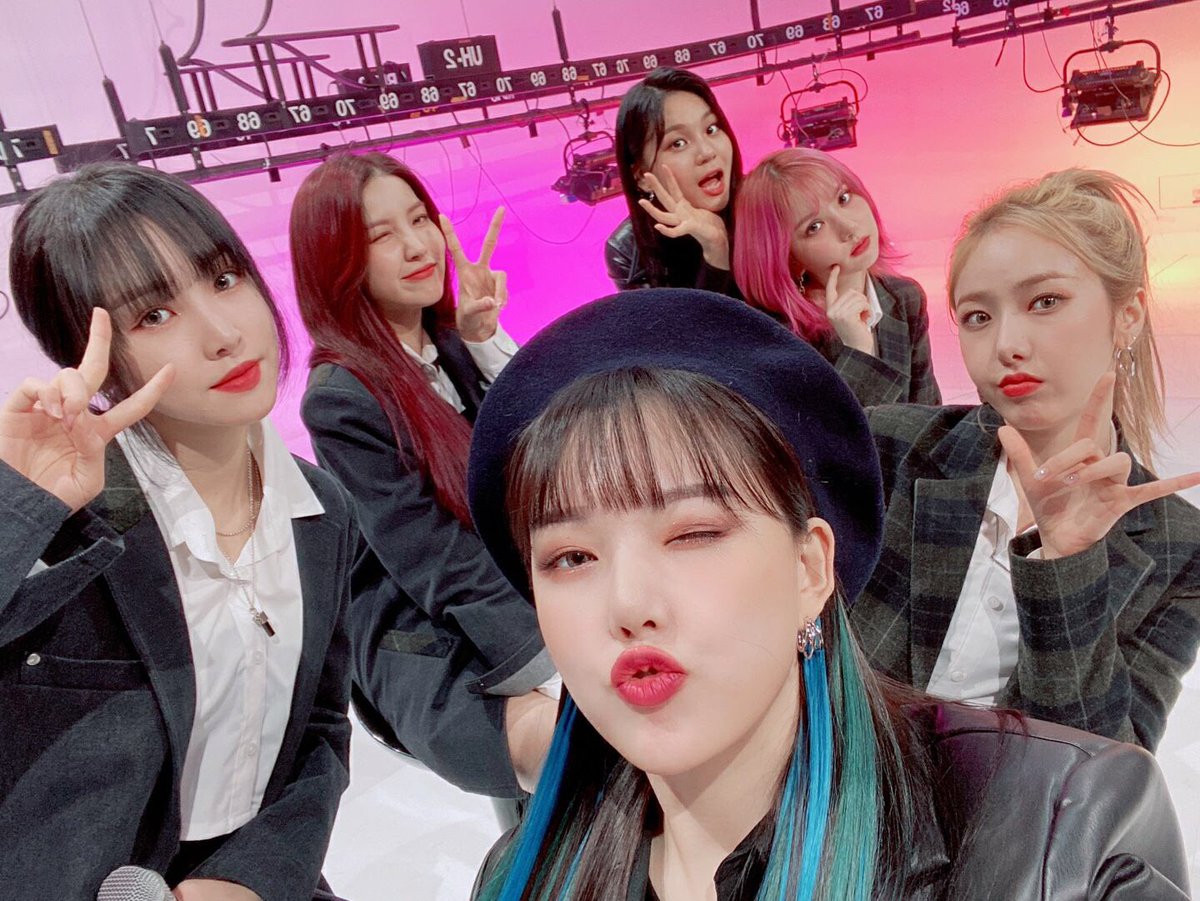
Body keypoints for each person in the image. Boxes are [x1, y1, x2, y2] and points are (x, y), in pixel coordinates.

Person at [464, 288, 1189, 900]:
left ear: (811, 568)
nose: (627, 604)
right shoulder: (518, 876)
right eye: (570, 557)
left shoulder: (1061, 840)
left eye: (692, 534)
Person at [1, 164, 355, 900]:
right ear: (88, 353)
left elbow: (320, 728)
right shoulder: (66, 518)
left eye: (224, 279)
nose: (224, 335)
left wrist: (244, 880)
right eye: (153, 316)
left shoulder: (320, 509)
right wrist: (19, 508)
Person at [851, 169, 1200, 751]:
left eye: (1045, 302)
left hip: (1008, 812)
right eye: (978, 316)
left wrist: (1066, 566)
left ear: (1128, 314)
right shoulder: (891, 451)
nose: (1007, 344)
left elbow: (1100, 771)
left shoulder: (1178, 546)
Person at [290, 152, 555, 797]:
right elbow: (435, 559)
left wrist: (486, 340)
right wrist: (555, 655)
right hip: (422, 633)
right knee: (581, 744)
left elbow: (548, 450)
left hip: (509, 583)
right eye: (382, 236)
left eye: (419, 219)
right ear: (339, 263)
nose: (416, 246)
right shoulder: (340, 398)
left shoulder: (452, 344)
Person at [734, 147, 941, 406]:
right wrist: (857, 351)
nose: (849, 228)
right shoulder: (778, 336)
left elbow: (930, 418)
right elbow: (827, 430)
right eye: (814, 227)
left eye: (844, 198)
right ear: (789, 257)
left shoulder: (904, 298)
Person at [605, 68, 743, 296]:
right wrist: (716, 251)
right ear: (641, 176)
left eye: (711, 129)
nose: (707, 152)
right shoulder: (628, 249)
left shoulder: (768, 202)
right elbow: (683, 322)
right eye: (678, 143)